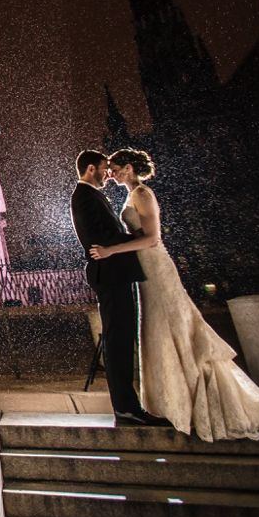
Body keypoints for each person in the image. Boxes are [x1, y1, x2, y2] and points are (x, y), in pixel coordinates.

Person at [90, 148, 259, 441]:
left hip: (157, 268)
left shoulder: (143, 194)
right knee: (159, 331)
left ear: (128, 168)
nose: (110, 172)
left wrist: (111, 249)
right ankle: (175, 400)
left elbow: (152, 238)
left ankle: (194, 398)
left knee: (174, 326)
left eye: (114, 167)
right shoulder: (131, 195)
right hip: (144, 273)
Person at [69, 150, 167, 425]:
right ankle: (126, 409)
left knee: (122, 340)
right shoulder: (84, 195)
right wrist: (133, 237)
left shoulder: (93, 195)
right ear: (91, 169)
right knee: (117, 342)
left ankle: (129, 407)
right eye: (103, 169)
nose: (107, 175)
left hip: (116, 273)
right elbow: (95, 237)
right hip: (109, 274)